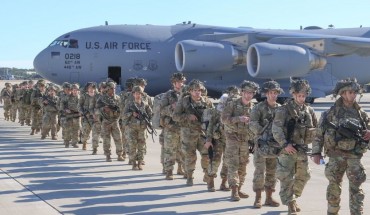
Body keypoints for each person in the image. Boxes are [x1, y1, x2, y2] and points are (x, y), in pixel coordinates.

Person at [312, 78, 370, 215]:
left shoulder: (361, 114)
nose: (353, 95)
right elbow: (319, 134)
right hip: (335, 156)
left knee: (356, 189)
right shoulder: (330, 113)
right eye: (350, 92)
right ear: (342, 94)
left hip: (354, 156)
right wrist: (316, 153)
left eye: (355, 92)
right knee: (333, 189)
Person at [272, 79, 317, 214]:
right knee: (287, 178)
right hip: (287, 150)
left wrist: (316, 150)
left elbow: (316, 130)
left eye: (304, 96)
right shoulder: (284, 110)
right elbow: (276, 129)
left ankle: (293, 197)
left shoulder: (309, 110)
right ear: (293, 94)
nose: (301, 98)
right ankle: (290, 202)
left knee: (304, 176)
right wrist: (285, 144)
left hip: (302, 150)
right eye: (299, 95)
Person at [221, 80, 258, 201]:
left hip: (245, 140)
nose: (249, 95)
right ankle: (234, 190)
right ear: (242, 92)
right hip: (232, 138)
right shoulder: (232, 103)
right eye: (247, 92)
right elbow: (224, 119)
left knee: (243, 165)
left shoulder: (254, 107)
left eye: (251, 93)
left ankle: (239, 187)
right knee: (233, 165)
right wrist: (238, 118)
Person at [173, 79, 213, 186]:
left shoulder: (207, 102)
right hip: (188, 134)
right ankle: (189, 176)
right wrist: (187, 116)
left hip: (203, 134)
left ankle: (206, 174)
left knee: (206, 155)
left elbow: (214, 116)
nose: (197, 92)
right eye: (195, 90)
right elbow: (175, 116)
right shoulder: (184, 101)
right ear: (190, 91)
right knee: (190, 156)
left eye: (199, 90)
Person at [250, 80, 283, 208]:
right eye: (271, 93)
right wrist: (265, 133)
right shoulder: (258, 108)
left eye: (275, 93)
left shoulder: (281, 109)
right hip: (262, 146)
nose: (273, 95)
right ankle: (258, 198)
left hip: (275, 147)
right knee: (259, 171)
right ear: (266, 94)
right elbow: (252, 124)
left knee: (272, 172)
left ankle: (269, 197)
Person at [160, 72, 186, 180]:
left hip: (184, 126)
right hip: (171, 127)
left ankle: (182, 168)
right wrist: (172, 106)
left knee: (183, 150)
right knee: (170, 150)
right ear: (174, 83)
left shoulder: (187, 94)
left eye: (182, 82)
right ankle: (169, 171)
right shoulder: (168, 95)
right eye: (178, 82)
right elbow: (162, 110)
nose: (181, 84)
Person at [122, 86, 152, 170]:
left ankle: (140, 162)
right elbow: (123, 116)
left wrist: (148, 120)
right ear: (133, 94)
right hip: (131, 128)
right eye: (136, 93)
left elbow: (150, 115)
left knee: (141, 146)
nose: (138, 95)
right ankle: (133, 163)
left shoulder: (145, 104)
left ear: (142, 94)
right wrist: (131, 114)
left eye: (139, 94)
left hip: (142, 128)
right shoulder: (129, 104)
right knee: (132, 146)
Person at [97, 82, 124, 162]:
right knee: (106, 139)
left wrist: (116, 113)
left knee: (118, 138)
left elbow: (121, 109)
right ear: (108, 89)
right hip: (106, 121)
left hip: (115, 121)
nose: (113, 90)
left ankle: (119, 155)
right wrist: (104, 109)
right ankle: (108, 155)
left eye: (114, 88)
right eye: (112, 88)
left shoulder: (118, 98)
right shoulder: (102, 98)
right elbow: (97, 109)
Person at [60, 83, 81, 148]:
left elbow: (84, 105)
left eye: (76, 90)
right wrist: (65, 110)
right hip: (68, 115)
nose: (75, 91)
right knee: (67, 129)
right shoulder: (67, 97)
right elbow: (61, 104)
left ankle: (74, 143)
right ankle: (66, 142)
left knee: (76, 130)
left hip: (77, 116)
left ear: (78, 90)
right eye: (73, 90)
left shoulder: (80, 97)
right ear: (71, 90)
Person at [79, 82, 96, 150]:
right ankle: (84, 143)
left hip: (95, 117)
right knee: (85, 132)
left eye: (93, 88)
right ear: (87, 89)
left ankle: (94, 147)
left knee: (95, 133)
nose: (91, 89)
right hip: (86, 117)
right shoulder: (84, 96)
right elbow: (79, 105)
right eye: (90, 88)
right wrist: (82, 112)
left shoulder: (97, 96)